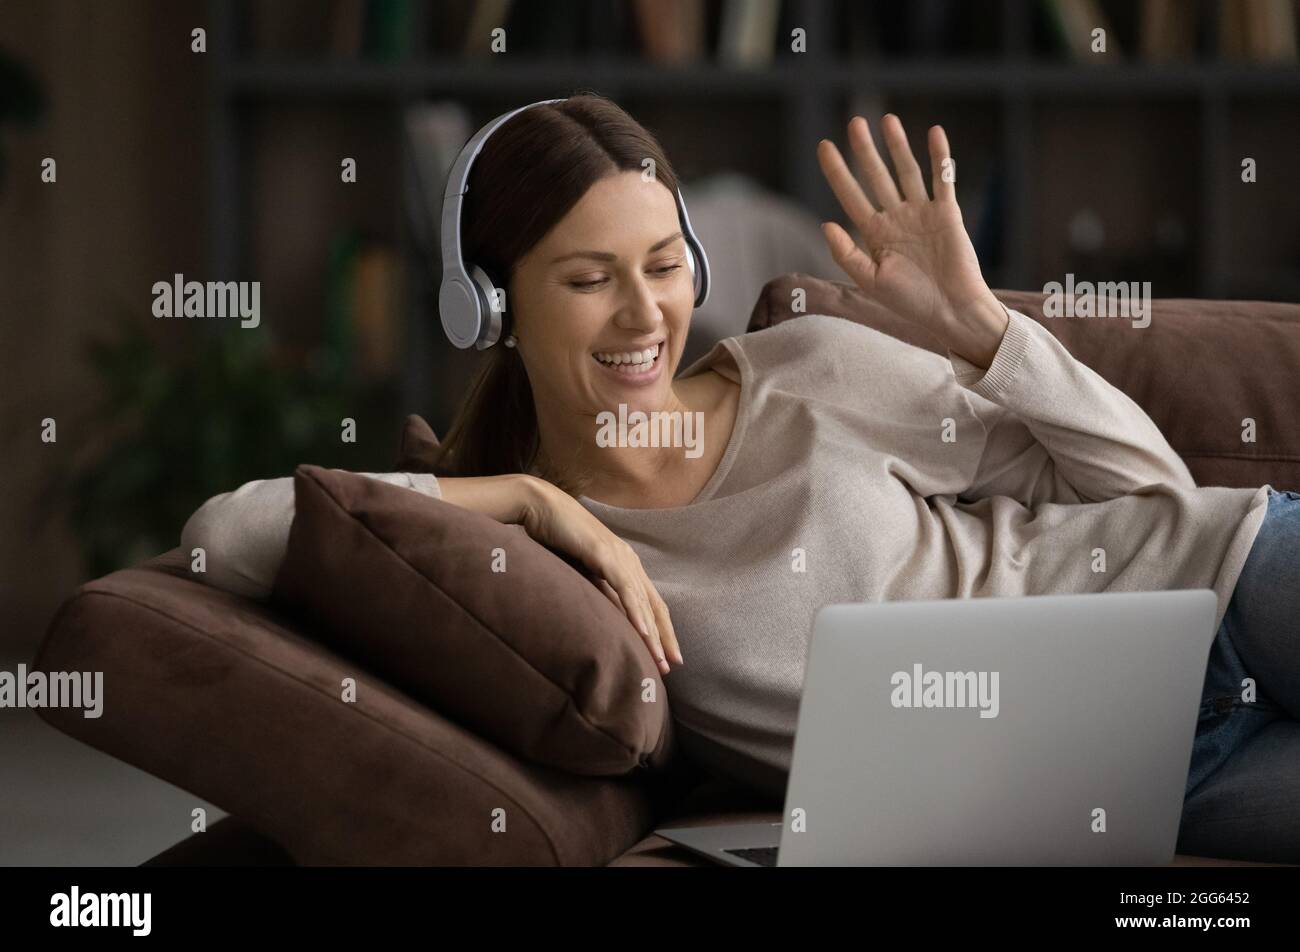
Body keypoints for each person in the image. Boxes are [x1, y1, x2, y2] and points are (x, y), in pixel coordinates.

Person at [181, 94, 1298, 862]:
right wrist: (531, 499)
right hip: (1138, 769)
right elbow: (223, 535)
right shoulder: (521, 549)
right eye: (587, 278)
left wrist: (981, 326)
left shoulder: (810, 367)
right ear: (489, 306)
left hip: (1233, 572)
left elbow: (1146, 491)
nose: (642, 313)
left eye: (665, 265)